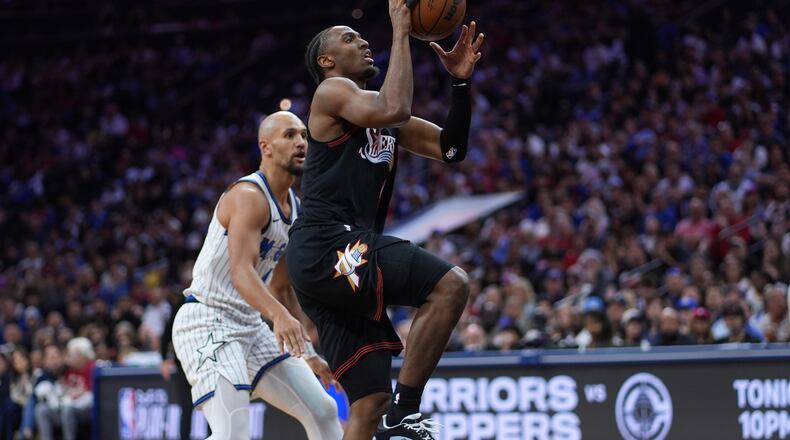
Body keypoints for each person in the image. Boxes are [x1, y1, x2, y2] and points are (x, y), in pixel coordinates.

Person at [291, 1, 484, 438]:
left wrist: (461, 83)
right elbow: (394, 107)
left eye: (360, 37)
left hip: (337, 258)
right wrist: (401, 30)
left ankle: (391, 413)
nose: (362, 41)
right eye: (348, 38)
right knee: (451, 283)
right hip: (327, 244)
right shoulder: (331, 92)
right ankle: (407, 411)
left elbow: (452, 149)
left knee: (367, 403)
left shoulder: (382, 113)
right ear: (327, 61)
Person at [172, 111, 343, 440]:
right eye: (290, 135)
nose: (301, 142)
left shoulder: (295, 208)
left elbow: (280, 286)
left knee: (322, 412)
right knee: (233, 433)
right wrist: (279, 316)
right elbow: (241, 273)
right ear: (266, 147)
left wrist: (306, 351)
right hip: (207, 320)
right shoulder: (249, 196)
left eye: (304, 135)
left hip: (250, 324)